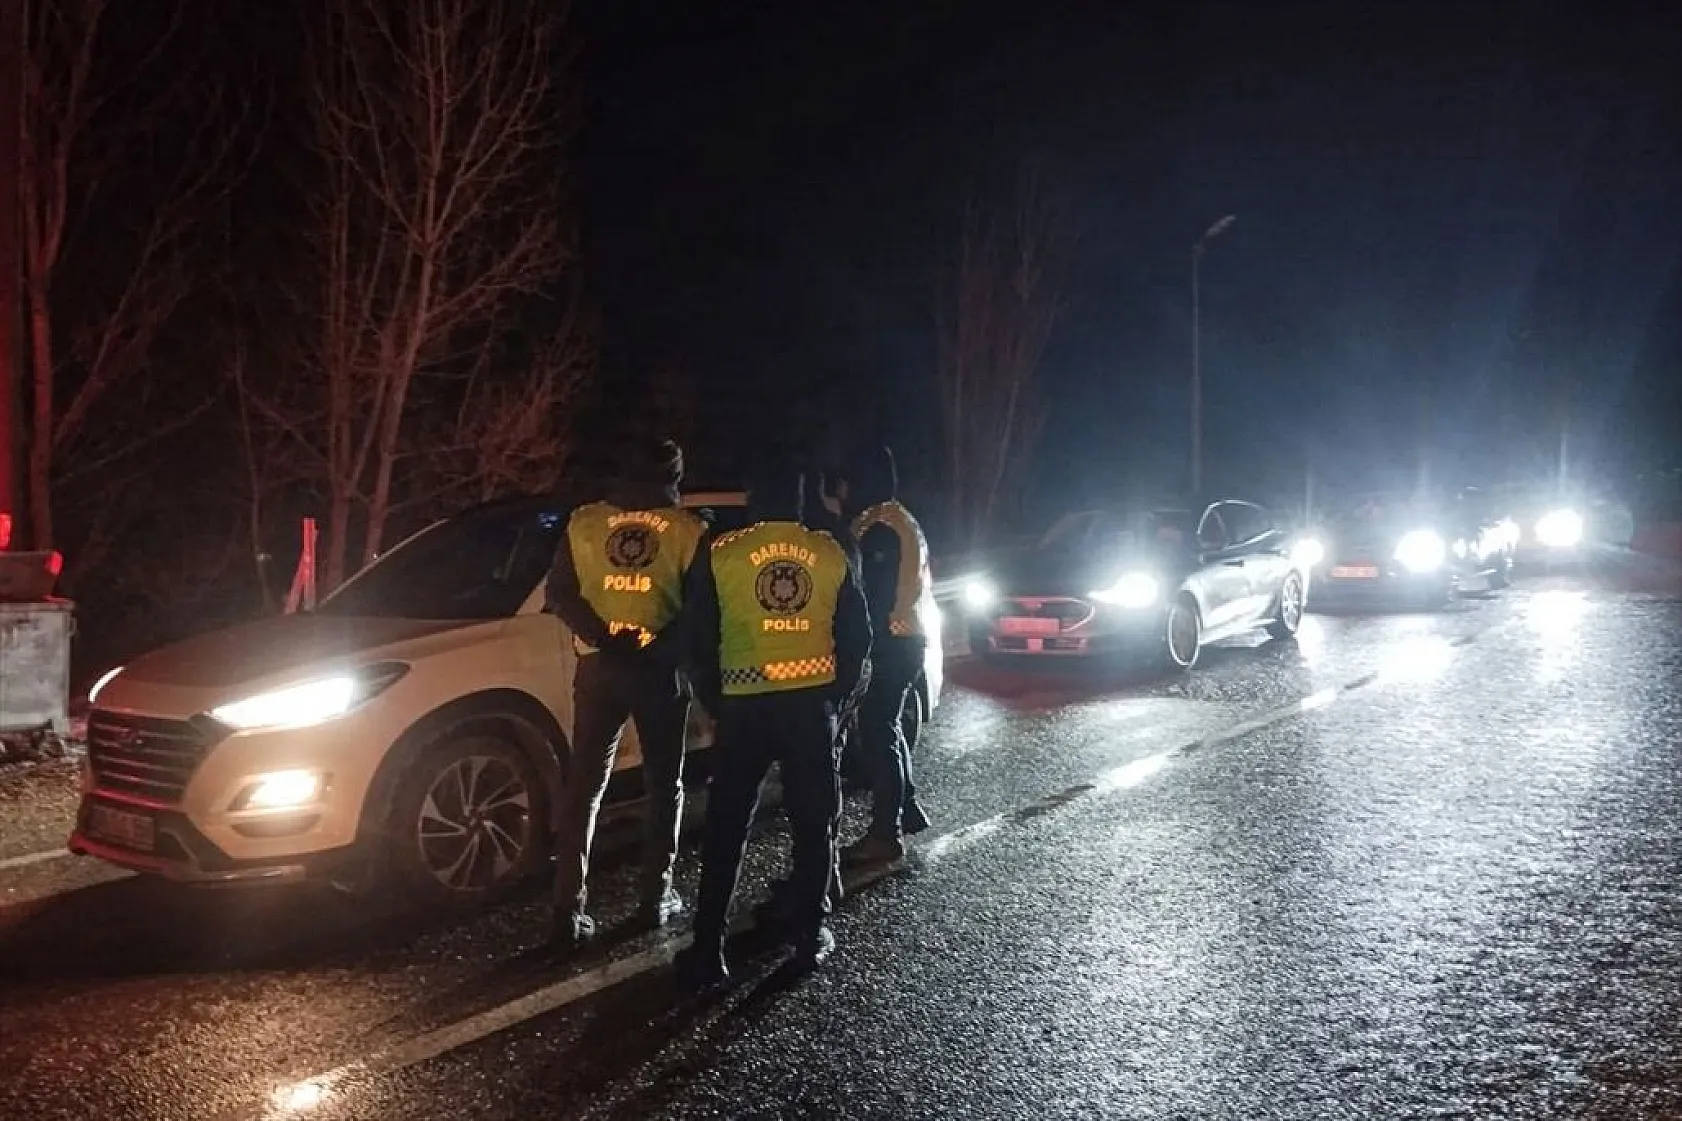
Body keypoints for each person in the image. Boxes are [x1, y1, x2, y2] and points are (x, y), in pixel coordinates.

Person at [674, 463, 872, 985]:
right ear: (801, 499)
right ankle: (809, 937)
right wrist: (834, 698)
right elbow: (858, 636)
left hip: (743, 710)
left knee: (726, 828)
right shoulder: (830, 551)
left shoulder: (722, 551)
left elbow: (698, 638)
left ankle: (708, 949)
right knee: (812, 824)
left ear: (752, 497)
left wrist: (718, 700)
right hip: (809, 712)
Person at [544, 438, 705, 954]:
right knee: (664, 784)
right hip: (658, 672)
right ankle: (655, 897)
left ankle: (567, 910)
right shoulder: (688, 530)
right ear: (673, 477)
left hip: (599, 667)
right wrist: (659, 648)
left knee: (586, 786)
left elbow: (559, 594)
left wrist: (603, 637)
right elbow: (698, 611)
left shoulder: (585, 522)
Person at [838, 444, 934, 867]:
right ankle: (905, 806)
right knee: (888, 729)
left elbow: (872, 597)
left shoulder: (879, 527)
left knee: (879, 734)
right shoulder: (898, 517)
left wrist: (859, 645)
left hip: (889, 642)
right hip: (905, 638)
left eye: (845, 482)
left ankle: (885, 834)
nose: (841, 491)